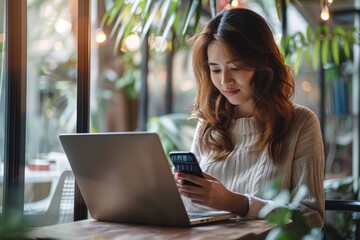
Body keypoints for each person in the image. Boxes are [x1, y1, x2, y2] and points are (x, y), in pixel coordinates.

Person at [173, 7, 324, 228]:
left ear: (264, 64)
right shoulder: (209, 124)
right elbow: (193, 210)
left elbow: (312, 218)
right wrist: (180, 190)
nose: (225, 81)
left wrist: (238, 203)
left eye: (235, 68)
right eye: (215, 70)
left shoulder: (301, 123)